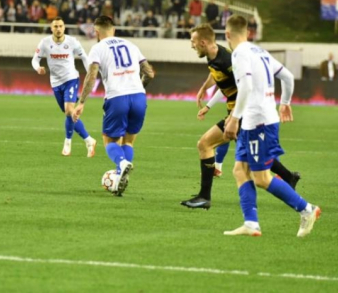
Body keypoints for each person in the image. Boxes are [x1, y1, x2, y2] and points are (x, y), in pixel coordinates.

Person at [181, 24, 300, 210]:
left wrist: (234, 117)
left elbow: (245, 87)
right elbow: (216, 76)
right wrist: (205, 90)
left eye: (193, 42)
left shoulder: (229, 60)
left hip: (244, 114)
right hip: (239, 114)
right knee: (256, 156)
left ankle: (206, 197)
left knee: (205, 144)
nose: (191, 45)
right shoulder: (214, 56)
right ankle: (289, 177)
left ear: (203, 42)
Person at [223, 15, 320, 237]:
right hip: (252, 122)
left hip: (259, 122)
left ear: (227, 34)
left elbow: (246, 86)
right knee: (240, 170)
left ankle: (307, 209)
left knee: (262, 178)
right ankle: (251, 223)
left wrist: (234, 118)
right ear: (248, 32)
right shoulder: (259, 51)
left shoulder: (238, 54)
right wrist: (284, 103)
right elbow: (286, 77)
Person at [72, 16, 155, 196]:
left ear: (96, 32)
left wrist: (82, 102)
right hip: (139, 96)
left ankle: (121, 164)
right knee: (129, 141)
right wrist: (138, 87)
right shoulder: (131, 45)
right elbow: (149, 73)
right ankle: (120, 177)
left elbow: (91, 76)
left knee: (109, 141)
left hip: (117, 97)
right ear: (114, 29)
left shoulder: (98, 48)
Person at [32, 17, 96, 157]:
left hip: (71, 79)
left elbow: (84, 57)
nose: (58, 29)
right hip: (55, 83)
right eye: (55, 26)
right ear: (51, 28)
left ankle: (67, 143)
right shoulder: (45, 43)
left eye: (60, 26)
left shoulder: (72, 42)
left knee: (68, 111)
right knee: (70, 113)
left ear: (64, 27)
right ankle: (89, 140)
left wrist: (90, 73)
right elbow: (34, 59)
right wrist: (38, 68)